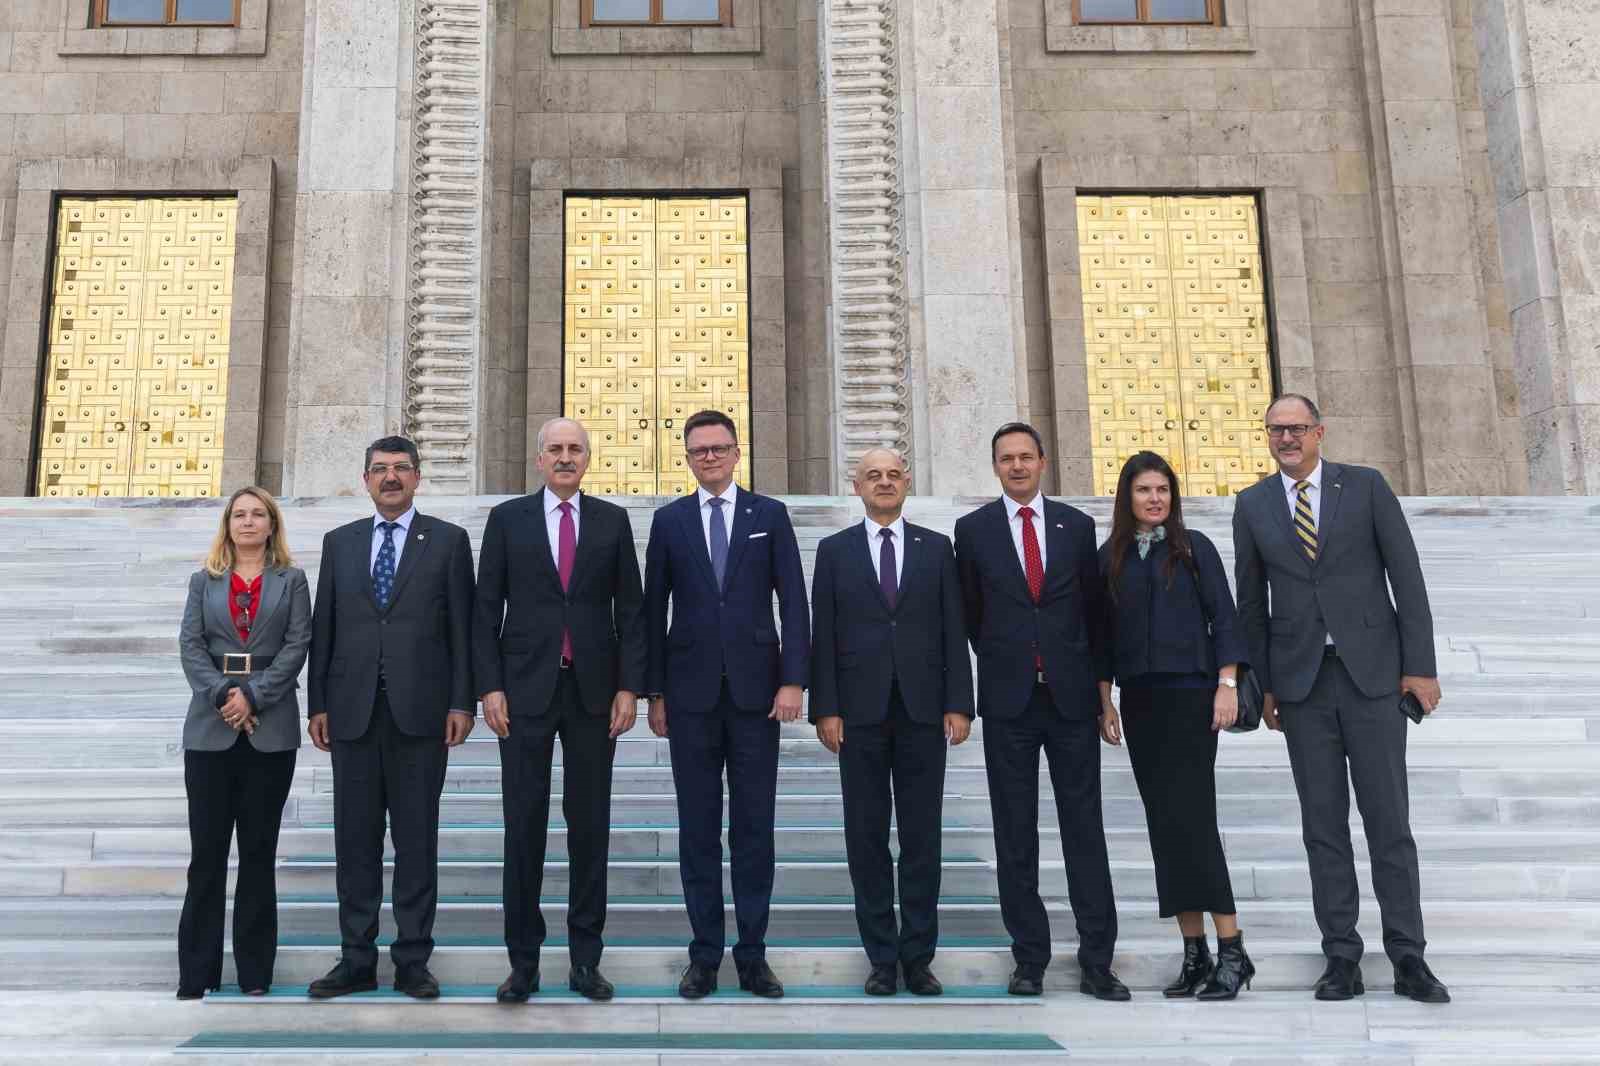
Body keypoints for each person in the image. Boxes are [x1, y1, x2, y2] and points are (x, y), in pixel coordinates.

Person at [1232, 395, 1449, 1004]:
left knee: (1389, 824)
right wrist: (1266, 686)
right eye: (1276, 430)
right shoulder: (1252, 505)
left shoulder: (1367, 487)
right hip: (1302, 687)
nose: (1287, 438)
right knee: (1322, 827)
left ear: (1320, 431)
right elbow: (1251, 604)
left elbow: (1407, 578)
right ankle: (1342, 958)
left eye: (1297, 428)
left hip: (1374, 679)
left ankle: (1409, 958)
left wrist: (1420, 668)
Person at [474, 418, 647, 1004]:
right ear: (538, 458)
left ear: (588, 458)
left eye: (575, 449)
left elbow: (632, 609)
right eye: (556, 449)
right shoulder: (507, 520)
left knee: (589, 828)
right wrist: (489, 687)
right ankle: (522, 963)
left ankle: (584, 961)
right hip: (522, 696)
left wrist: (630, 688)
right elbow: (484, 610)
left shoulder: (612, 521)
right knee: (523, 827)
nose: (566, 458)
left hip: (594, 696)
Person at [953, 422, 1127, 1001]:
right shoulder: (972, 531)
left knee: (1084, 830)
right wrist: (1011, 660)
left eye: (1027, 457)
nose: (1018, 467)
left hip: (1073, 699)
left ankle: (1097, 960)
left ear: (1044, 462)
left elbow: (1096, 616)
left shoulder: (1075, 527)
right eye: (1007, 459)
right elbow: (971, 617)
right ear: (995, 466)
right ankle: (1029, 957)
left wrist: (1103, 694)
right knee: (1015, 832)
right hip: (1010, 703)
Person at [643, 409, 810, 999]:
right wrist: (655, 693)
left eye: (718, 448)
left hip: (756, 697)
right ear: (687, 459)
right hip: (688, 699)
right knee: (698, 830)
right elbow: (650, 612)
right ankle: (704, 954)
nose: (709, 457)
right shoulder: (670, 522)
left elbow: (793, 600)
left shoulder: (770, 516)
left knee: (753, 828)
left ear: (737, 453)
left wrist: (793, 680)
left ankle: (753, 953)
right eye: (698, 451)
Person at [304, 436, 476, 1000]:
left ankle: (411, 961)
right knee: (354, 843)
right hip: (352, 714)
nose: (392, 477)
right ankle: (356, 958)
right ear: (366, 479)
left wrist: (461, 702)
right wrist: (319, 704)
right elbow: (324, 627)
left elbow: (462, 631)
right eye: (381, 469)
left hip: (421, 716)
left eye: (402, 468)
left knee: (416, 841)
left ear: (418, 478)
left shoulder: (448, 542)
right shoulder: (340, 542)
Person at [808, 447, 974, 997]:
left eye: (893, 474)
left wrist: (959, 703)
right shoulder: (834, 552)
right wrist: (826, 709)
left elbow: (954, 630)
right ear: (856, 486)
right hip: (857, 715)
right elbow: (823, 636)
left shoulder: (937, 547)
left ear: (908, 482)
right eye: (873, 475)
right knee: (867, 836)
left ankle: (918, 957)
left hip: (925, 712)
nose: (884, 482)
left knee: (923, 838)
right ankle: (881, 958)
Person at [1095, 452, 1253, 1000]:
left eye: (1163, 489)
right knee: (1163, 823)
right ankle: (1195, 953)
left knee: (1193, 819)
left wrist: (1226, 686)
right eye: (1144, 490)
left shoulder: (1194, 549)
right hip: (1140, 701)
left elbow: (1224, 617)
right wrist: (1105, 701)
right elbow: (1101, 639)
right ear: (1127, 497)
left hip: (1191, 697)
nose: (1155, 499)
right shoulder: (1109, 556)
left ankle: (1233, 948)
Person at [176, 486, 310, 1000]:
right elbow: (190, 646)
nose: (248, 522)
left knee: (258, 853)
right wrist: (224, 695)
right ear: (227, 525)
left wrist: (253, 696)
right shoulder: (202, 581)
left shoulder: (291, 581)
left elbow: (297, 645)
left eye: (258, 515)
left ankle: (255, 974)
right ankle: (197, 974)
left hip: (269, 731)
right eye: (239, 515)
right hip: (210, 731)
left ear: (272, 524)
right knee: (206, 856)